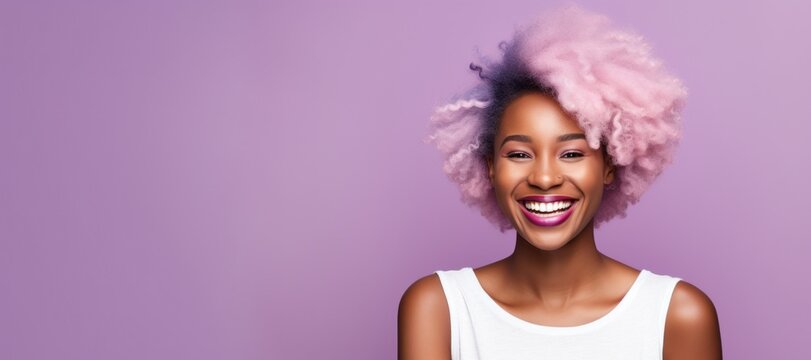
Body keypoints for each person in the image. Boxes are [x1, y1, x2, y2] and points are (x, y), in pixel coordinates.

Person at [398, 5, 722, 360]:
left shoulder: (676, 316)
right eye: (519, 154)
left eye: (571, 154)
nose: (544, 178)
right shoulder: (441, 309)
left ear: (610, 165)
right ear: (490, 167)